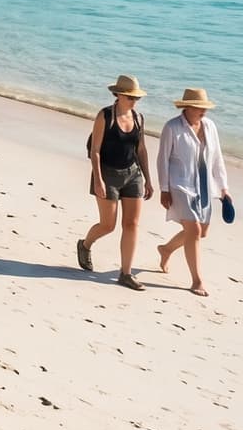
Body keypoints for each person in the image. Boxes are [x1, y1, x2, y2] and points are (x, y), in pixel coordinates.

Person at [79, 74, 153, 290]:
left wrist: (148, 179)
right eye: (130, 97)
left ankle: (126, 273)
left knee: (132, 224)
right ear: (118, 95)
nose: (133, 101)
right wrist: (99, 180)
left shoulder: (138, 118)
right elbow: (95, 150)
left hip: (133, 174)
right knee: (108, 225)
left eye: (136, 97)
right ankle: (85, 245)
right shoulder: (105, 116)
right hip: (107, 174)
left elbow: (141, 149)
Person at [156, 88, 230, 296]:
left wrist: (224, 189)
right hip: (180, 186)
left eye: (205, 108)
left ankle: (166, 249)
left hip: (204, 186)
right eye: (199, 108)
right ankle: (197, 281)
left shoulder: (210, 127)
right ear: (186, 107)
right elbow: (162, 160)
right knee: (194, 231)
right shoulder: (172, 128)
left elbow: (217, 159)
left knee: (201, 232)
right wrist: (164, 189)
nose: (203, 112)